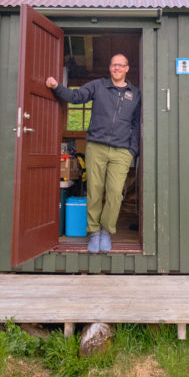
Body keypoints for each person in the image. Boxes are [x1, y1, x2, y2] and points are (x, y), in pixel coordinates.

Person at [45, 54, 140, 253]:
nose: (117, 68)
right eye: (114, 65)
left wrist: (132, 150)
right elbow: (76, 97)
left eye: (121, 65)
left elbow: (136, 125)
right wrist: (56, 86)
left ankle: (106, 230)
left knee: (115, 193)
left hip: (122, 150)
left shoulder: (135, 93)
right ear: (110, 67)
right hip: (96, 146)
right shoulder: (98, 86)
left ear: (127, 68)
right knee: (94, 190)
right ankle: (94, 232)